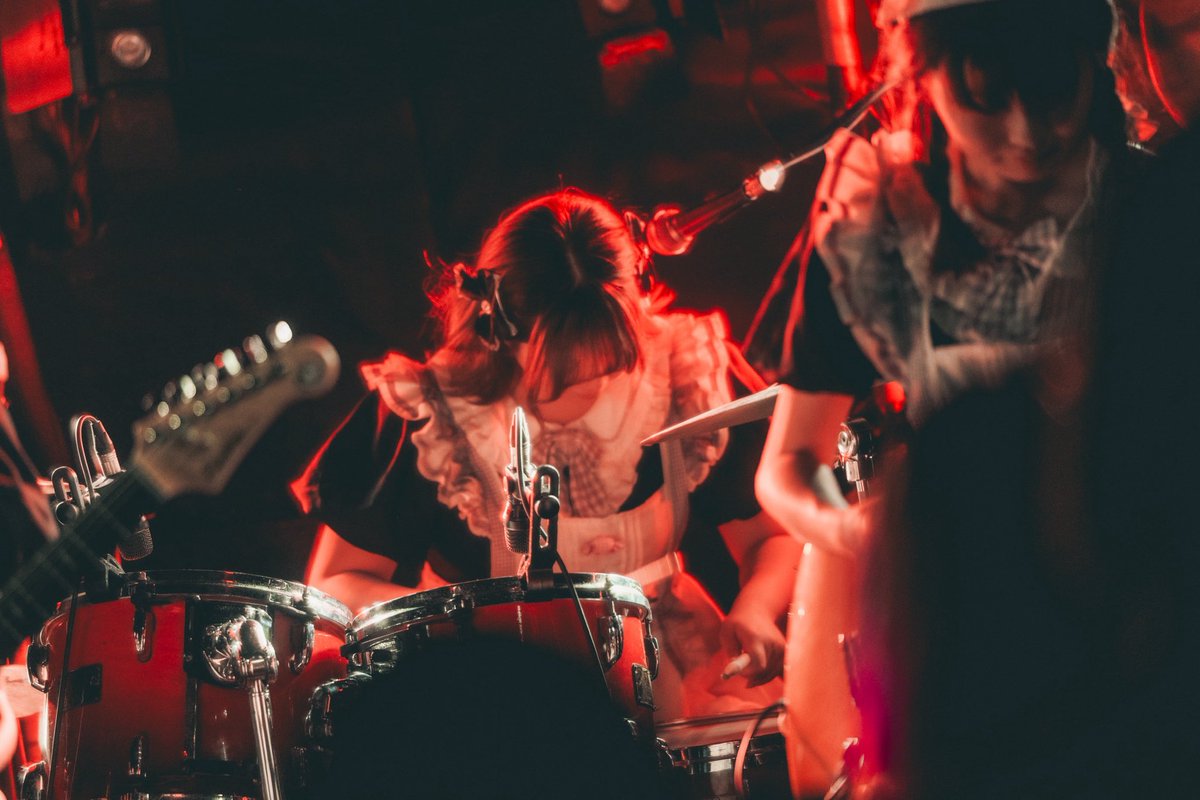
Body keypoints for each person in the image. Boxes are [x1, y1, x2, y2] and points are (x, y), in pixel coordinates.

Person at [750, 0, 1128, 792]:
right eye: (986, 95)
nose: (1027, 133)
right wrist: (857, 527)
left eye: (1056, 91)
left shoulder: (1150, 208)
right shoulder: (873, 226)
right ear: (921, 70)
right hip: (959, 624)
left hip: (1130, 609)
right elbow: (788, 464)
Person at [293, 188, 801, 722]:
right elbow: (334, 585)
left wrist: (758, 607)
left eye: (610, 363)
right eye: (562, 372)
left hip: (675, 670)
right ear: (498, 328)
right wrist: (463, 628)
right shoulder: (430, 416)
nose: (591, 387)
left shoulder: (685, 374)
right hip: (490, 688)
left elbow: (770, 535)